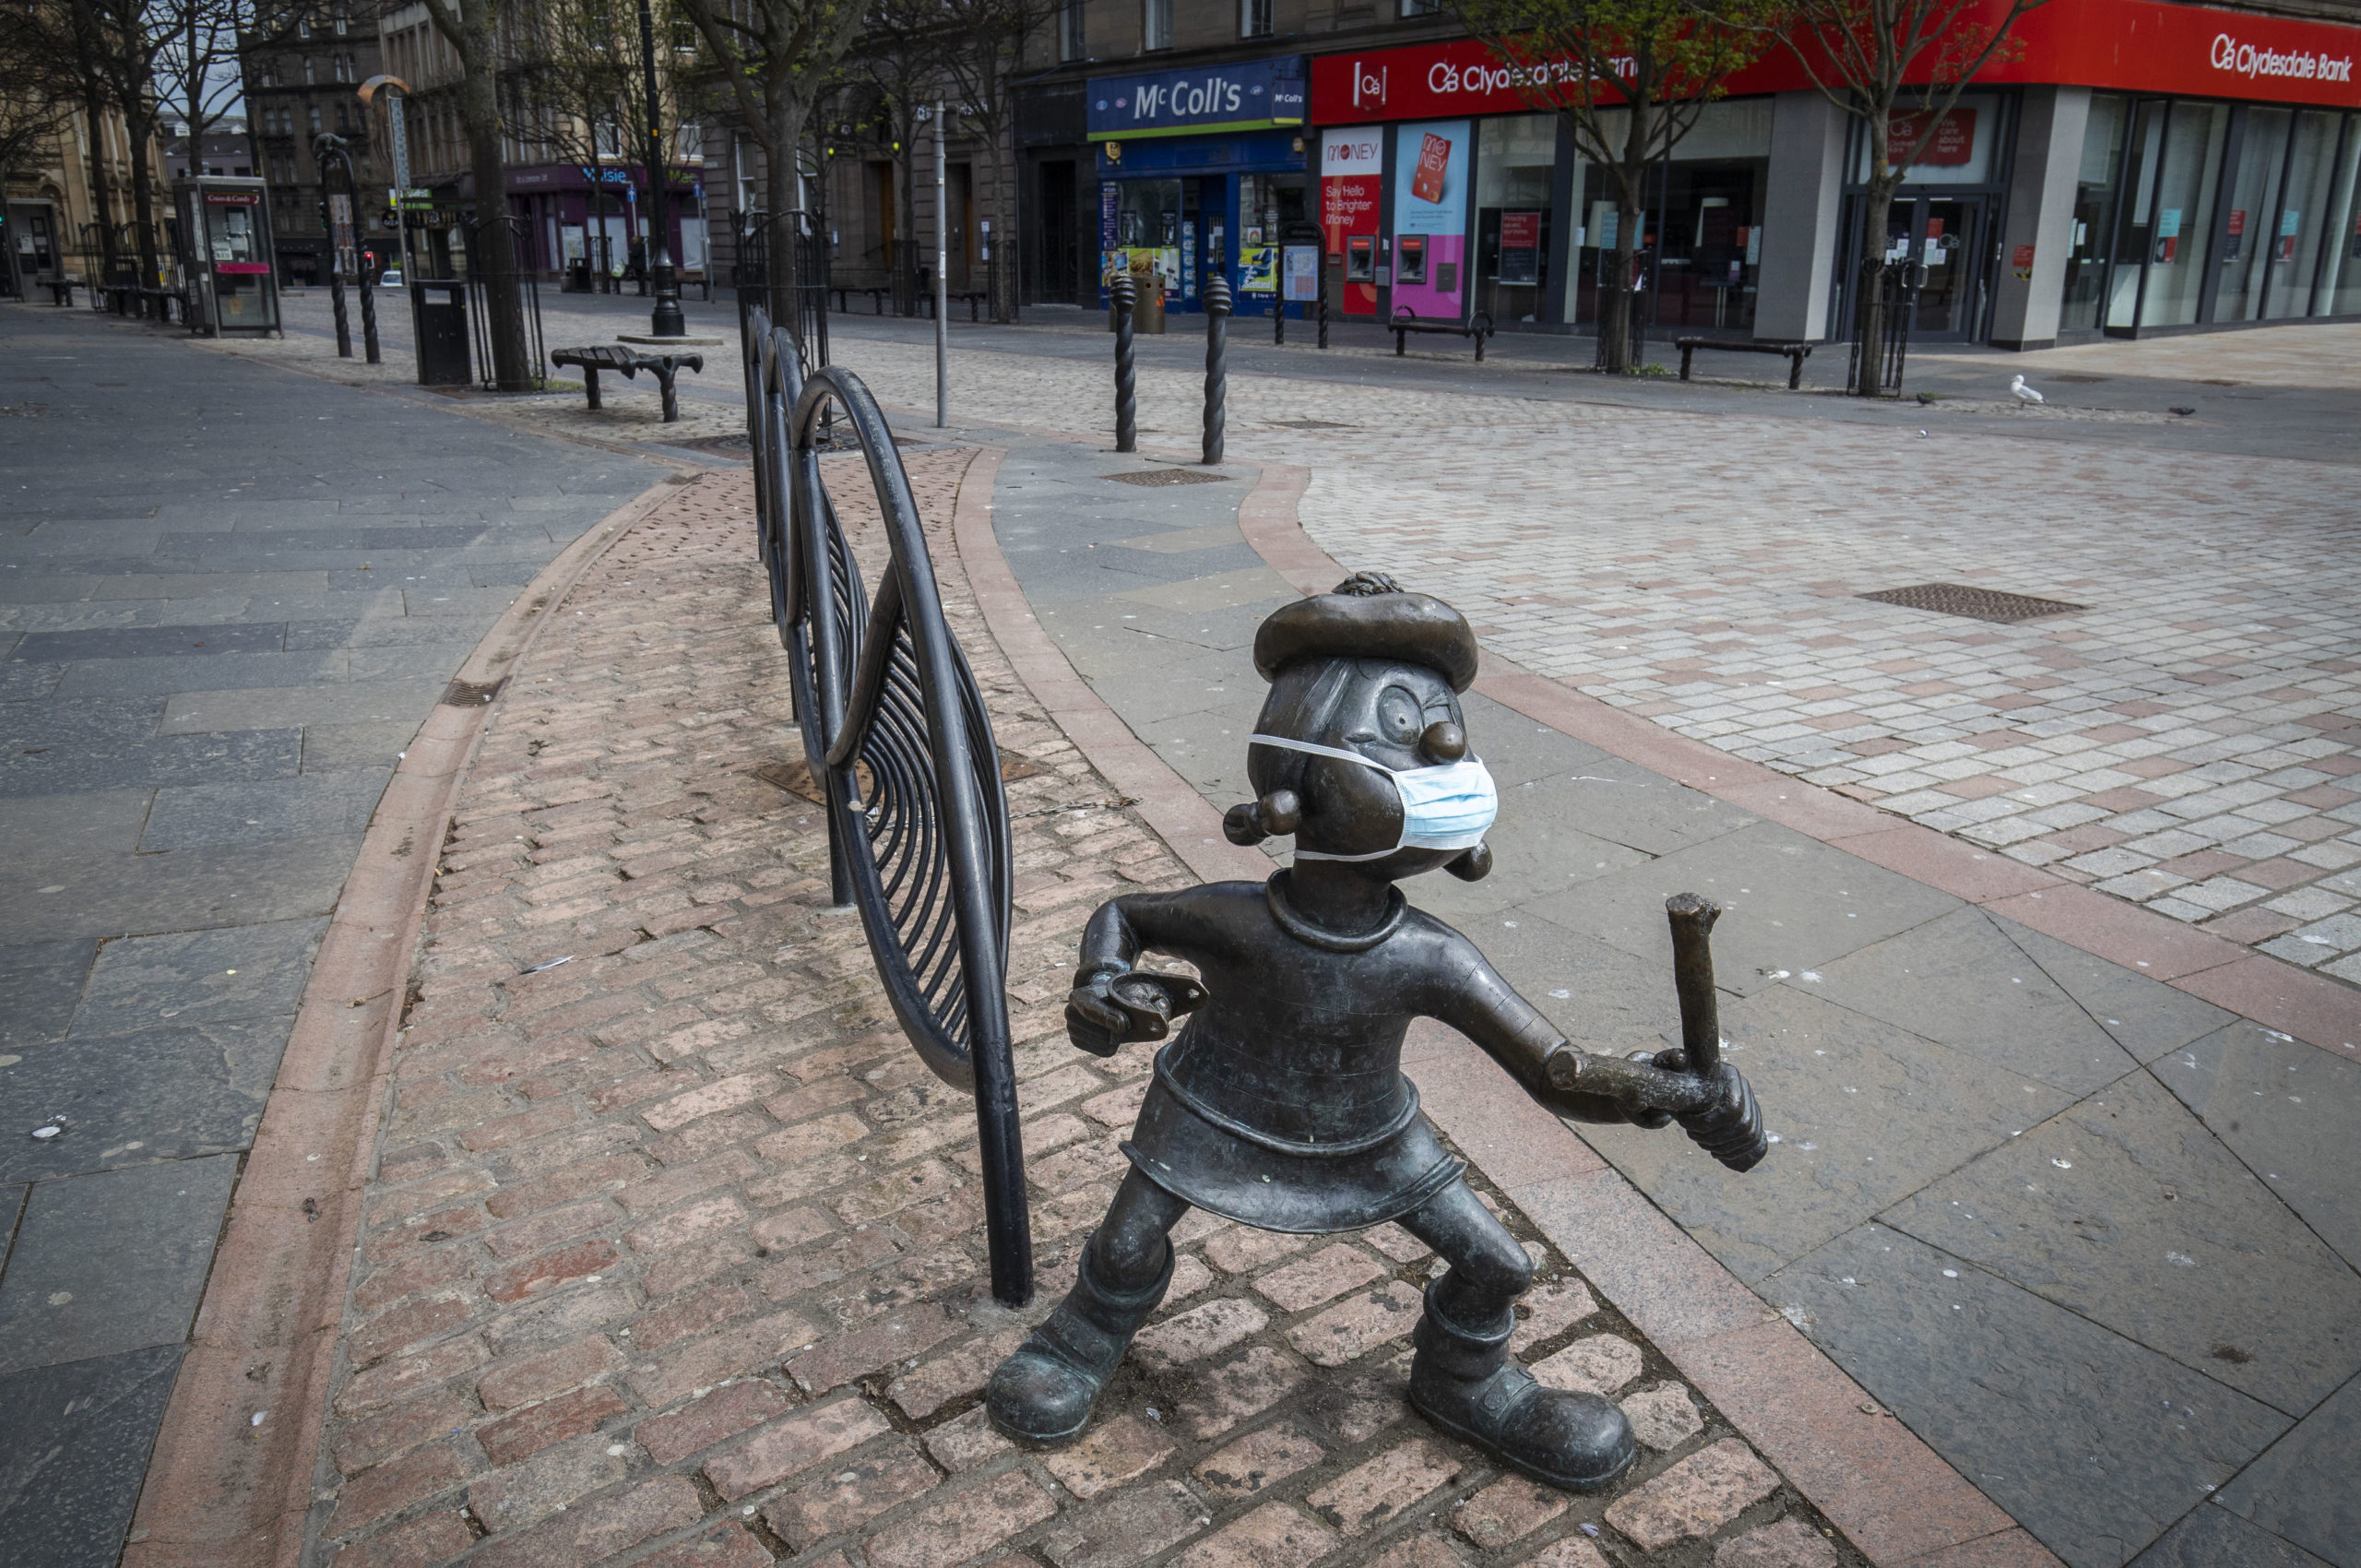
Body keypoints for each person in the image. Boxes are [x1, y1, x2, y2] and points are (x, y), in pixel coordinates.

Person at [985, 573, 1763, 1492]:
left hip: (1370, 1134)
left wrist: (1663, 1089)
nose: (1442, 744)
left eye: (1442, 727)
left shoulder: (1428, 955)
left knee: (1496, 1261)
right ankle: (1083, 1335)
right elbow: (1123, 912)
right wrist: (1102, 982)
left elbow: (1554, 1067)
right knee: (1123, 1249)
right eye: (1400, 728)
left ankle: (1463, 1379)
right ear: (1295, 779)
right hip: (1209, 1112)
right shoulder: (1236, 919)